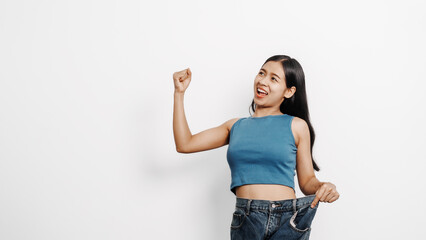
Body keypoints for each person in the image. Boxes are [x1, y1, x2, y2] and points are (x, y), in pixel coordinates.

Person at [172, 55, 340, 239]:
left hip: (288, 219)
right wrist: (179, 93)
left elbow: (307, 181)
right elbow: (185, 144)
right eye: (262, 73)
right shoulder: (235, 126)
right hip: (247, 218)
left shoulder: (297, 126)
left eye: (273, 78)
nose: (262, 81)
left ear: (289, 91)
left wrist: (324, 186)